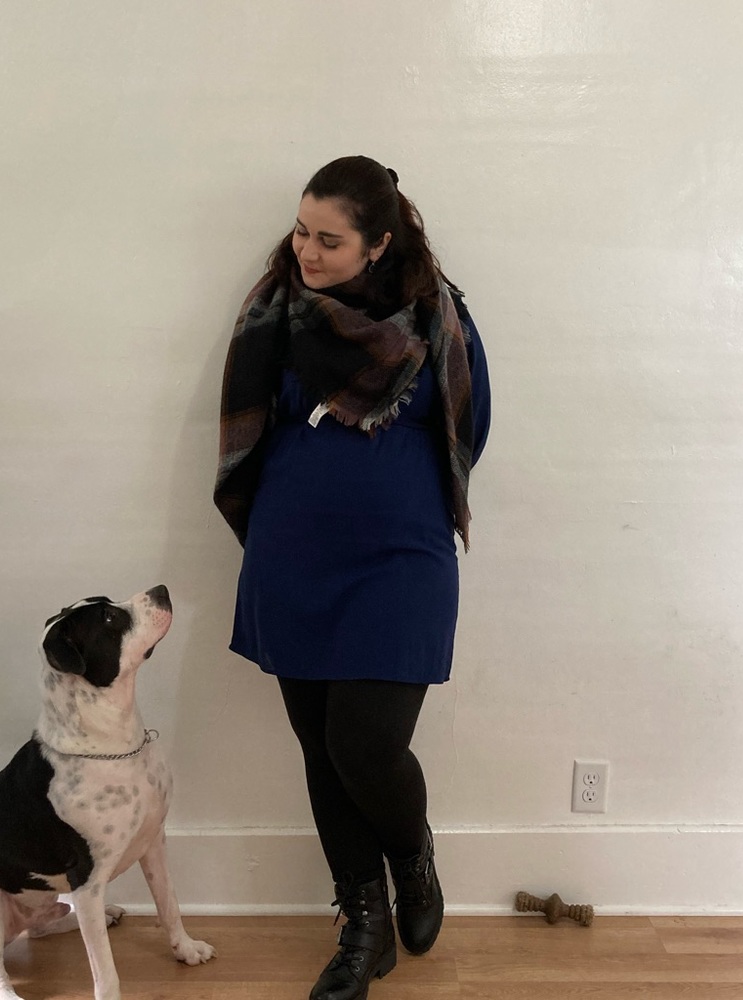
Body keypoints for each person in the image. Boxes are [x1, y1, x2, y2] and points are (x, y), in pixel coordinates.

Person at [214, 155, 491, 1000]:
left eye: (328, 239)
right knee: (321, 751)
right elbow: (250, 423)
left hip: (400, 561)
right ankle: (362, 922)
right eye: (302, 230)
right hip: (292, 555)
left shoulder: (440, 318)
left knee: (364, 744)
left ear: (377, 243)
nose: (306, 249)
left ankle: (412, 855)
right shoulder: (275, 310)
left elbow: (469, 428)